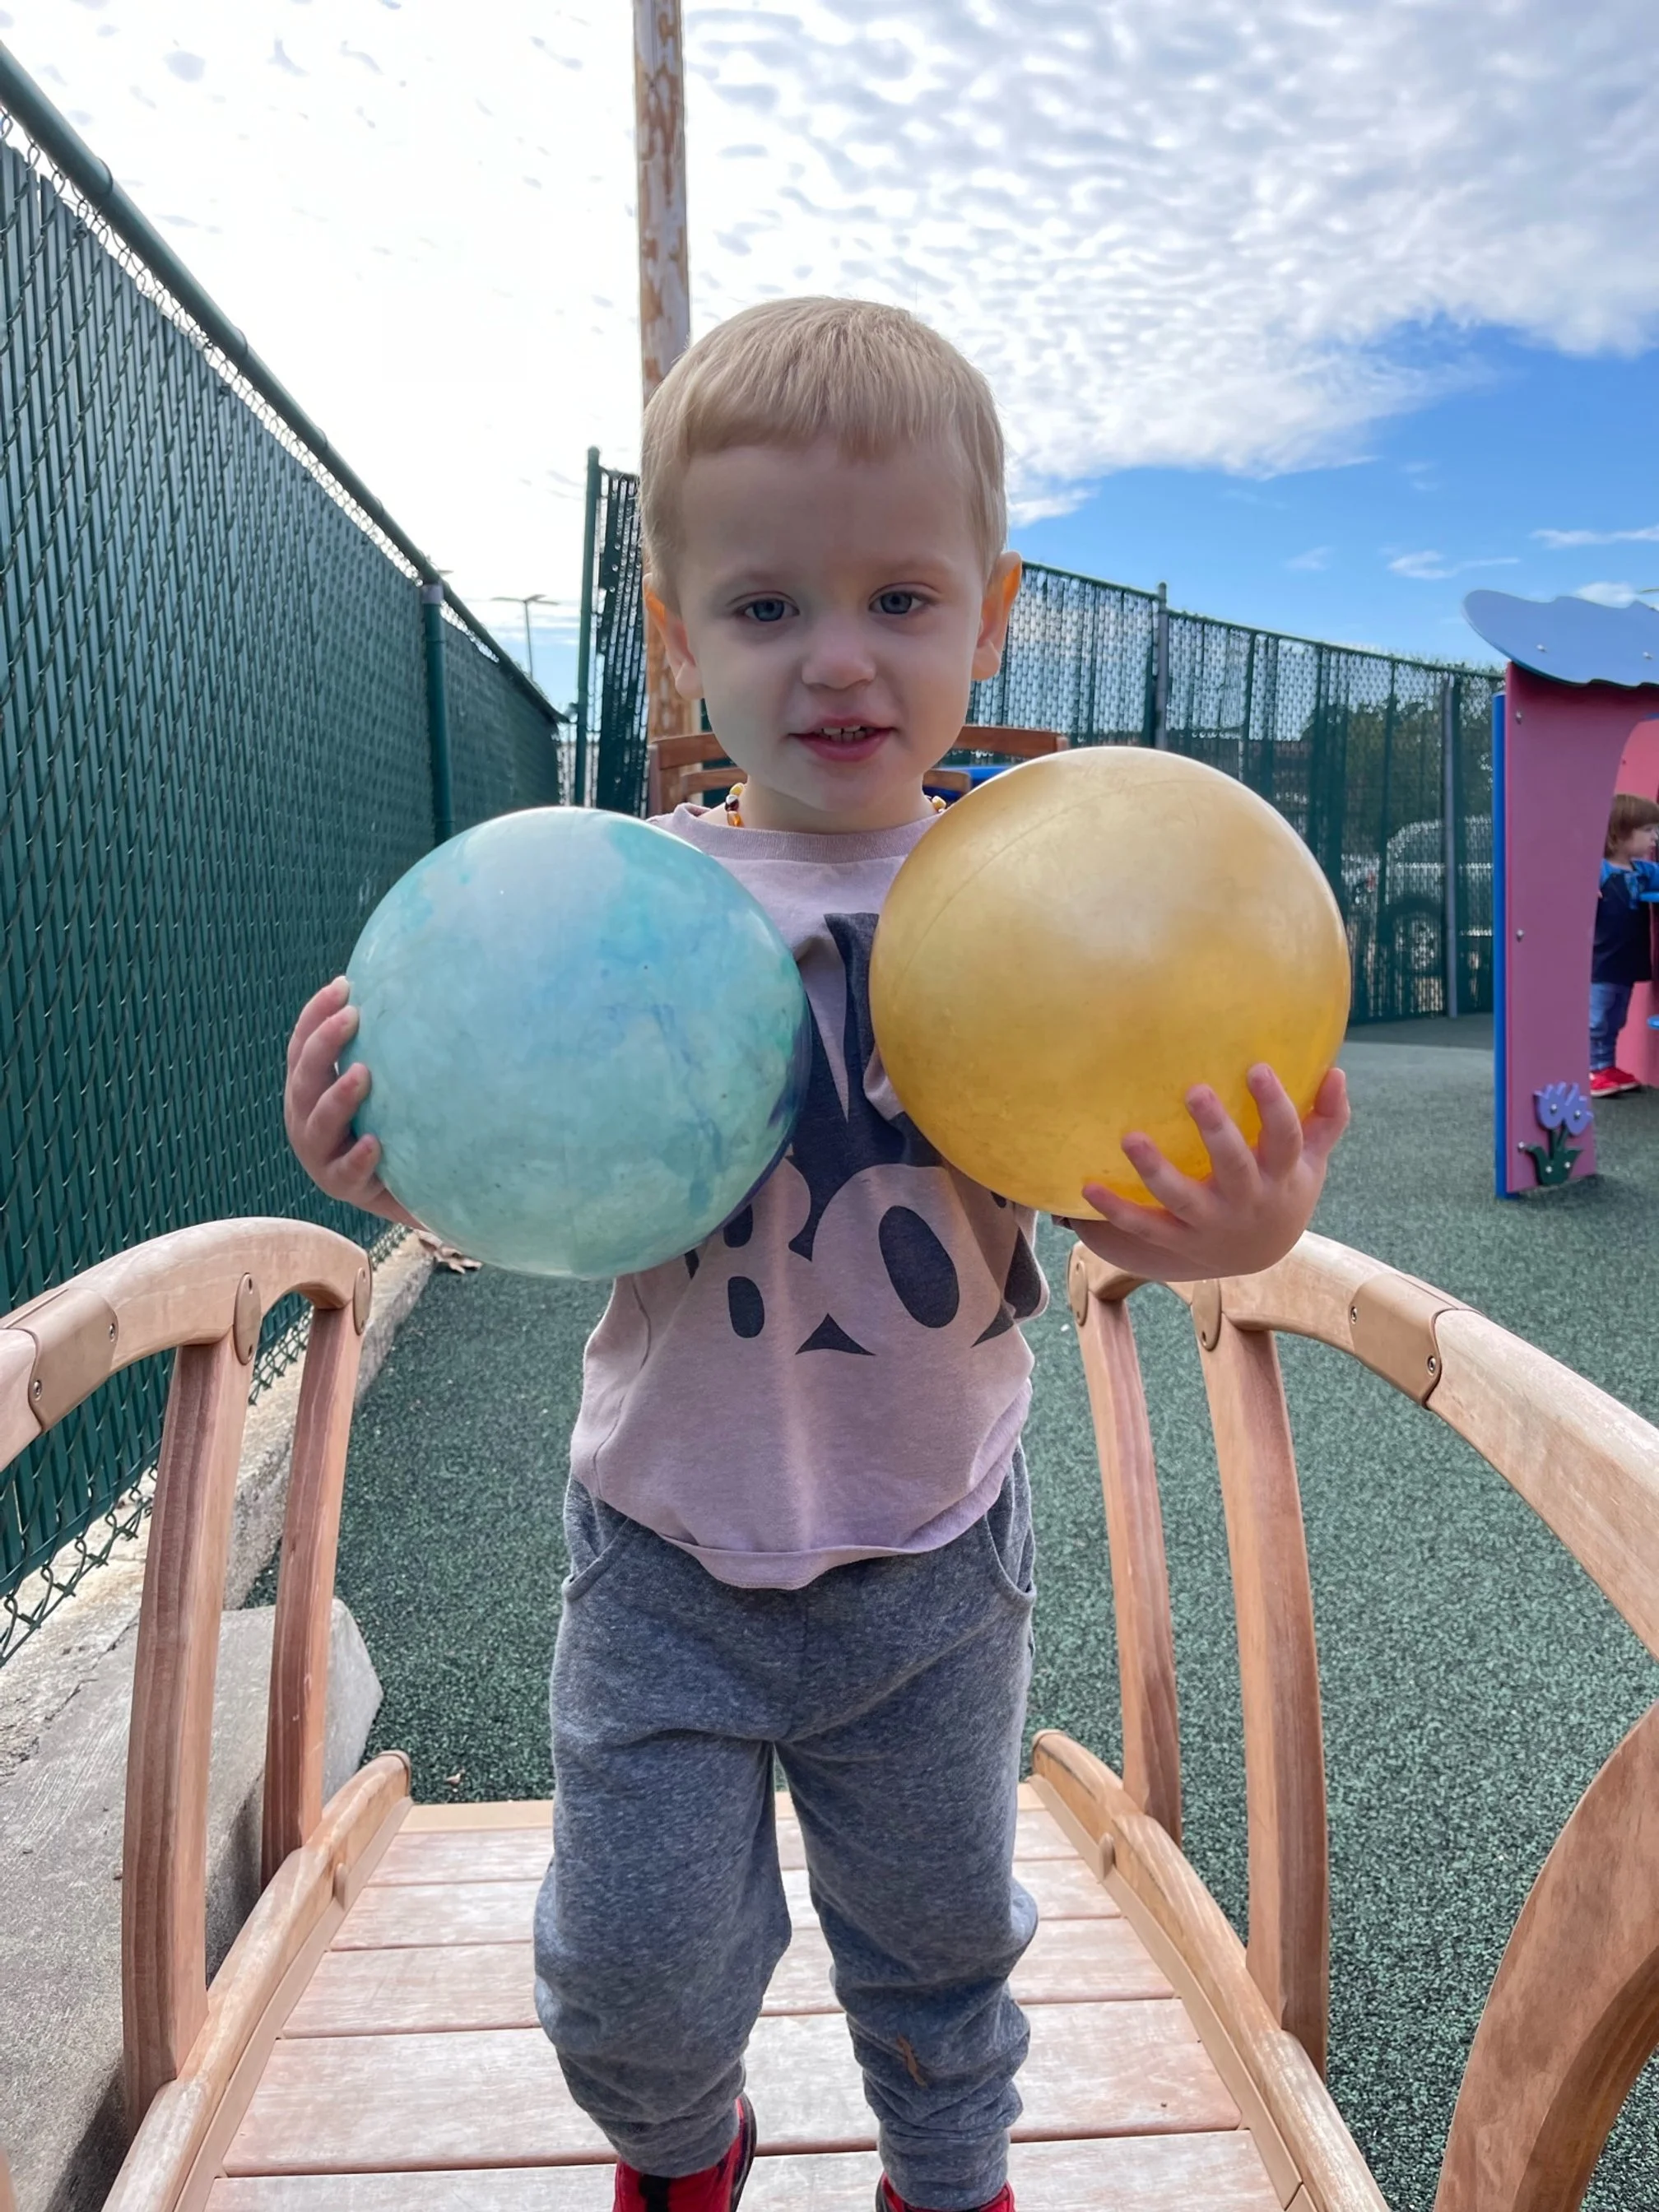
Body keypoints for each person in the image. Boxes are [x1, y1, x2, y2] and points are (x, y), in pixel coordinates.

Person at [282, 298, 1350, 2212]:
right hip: (667, 1556)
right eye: (769, 610)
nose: (840, 659)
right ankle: (683, 2155)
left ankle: (950, 2183)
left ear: (987, 612)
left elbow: (1118, 1194)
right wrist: (395, 1165)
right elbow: (529, 1179)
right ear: (683, 641)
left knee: (941, 1955)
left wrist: (1247, 1223)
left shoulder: (1057, 903)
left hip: (930, 1563)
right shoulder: (620, 909)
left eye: (901, 600)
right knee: (625, 1977)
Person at [1589, 792, 1659, 1098]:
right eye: (1647, 831)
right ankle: (1590, 1069)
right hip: (1600, 962)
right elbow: (1567, 881)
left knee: (1617, 1018)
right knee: (1597, 1019)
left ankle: (1606, 1066)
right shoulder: (1599, 871)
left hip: (1626, 961)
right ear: (1619, 833)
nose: (1655, 838)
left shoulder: (1643, 872)